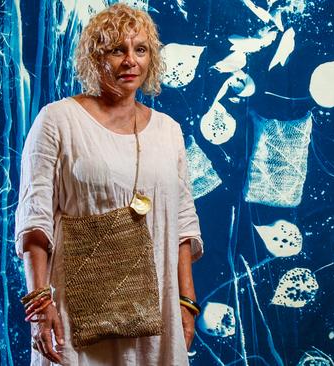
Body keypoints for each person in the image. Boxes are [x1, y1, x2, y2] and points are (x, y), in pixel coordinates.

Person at [15, 4, 203, 365]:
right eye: (117, 50)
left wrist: (187, 303)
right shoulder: (58, 121)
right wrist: (39, 307)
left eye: (140, 49)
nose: (130, 61)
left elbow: (183, 221)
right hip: (77, 316)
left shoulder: (169, 131)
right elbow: (34, 217)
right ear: (95, 56)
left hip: (157, 320)